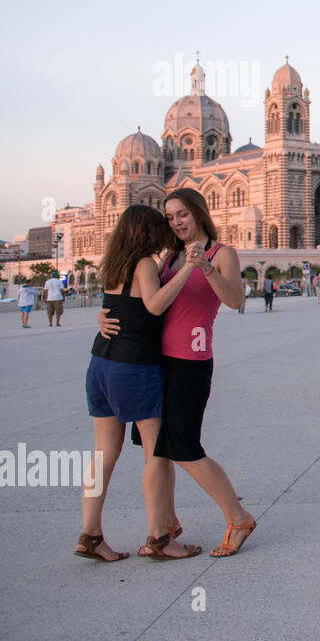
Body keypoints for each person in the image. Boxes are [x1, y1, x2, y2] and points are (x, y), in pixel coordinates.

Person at [100, 187, 256, 558]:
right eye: (169, 217)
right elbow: (145, 300)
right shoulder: (168, 257)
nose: (176, 223)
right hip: (155, 361)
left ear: (199, 212)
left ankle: (238, 517)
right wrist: (106, 316)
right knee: (158, 450)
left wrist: (205, 268)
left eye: (181, 214)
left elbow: (236, 301)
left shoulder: (223, 254)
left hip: (191, 362)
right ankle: (164, 527)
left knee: (184, 447)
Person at [78, 205, 200, 561]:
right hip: (134, 367)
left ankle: (90, 534)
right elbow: (155, 305)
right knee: (156, 454)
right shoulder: (145, 263)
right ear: (148, 230)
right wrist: (189, 268)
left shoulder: (112, 264)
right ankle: (160, 537)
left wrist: (100, 317)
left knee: (103, 454)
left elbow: (117, 308)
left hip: (100, 364)